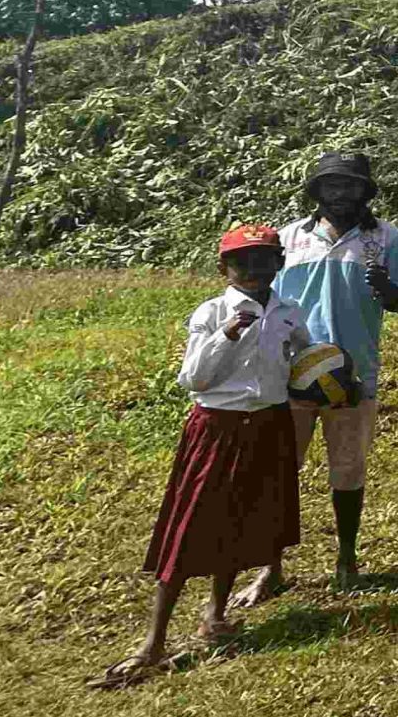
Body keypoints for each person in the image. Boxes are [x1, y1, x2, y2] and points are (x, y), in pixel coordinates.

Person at [94, 224, 309, 688]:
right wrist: (226, 336)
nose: (253, 270)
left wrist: (329, 369)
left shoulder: (289, 313)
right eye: (241, 262)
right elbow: (193, 379)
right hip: (218, 427)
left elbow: (305, 359)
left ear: (280, 264)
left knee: (241, 519)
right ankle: (153, 642)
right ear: (223, 269)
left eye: (264, 260)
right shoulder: (212, 313)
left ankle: (215, 614)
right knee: (192, 525)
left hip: (268, 424)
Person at [234, 152, 398, 606]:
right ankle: (269, 569)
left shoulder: (384, 238)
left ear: (363, 191)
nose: (340, 194)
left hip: (353, 376)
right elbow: (263, 294)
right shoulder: (290, 238)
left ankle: (347, 561)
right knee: (280, 472)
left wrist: (384, 287)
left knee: (348, 471)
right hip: (289, 372)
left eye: (350, 186)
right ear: (316, 191)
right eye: (331, 186)